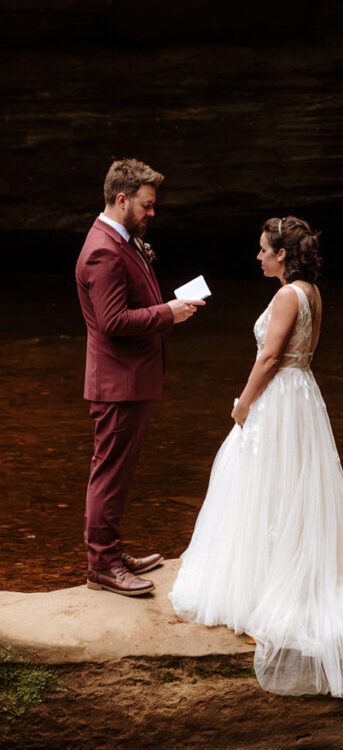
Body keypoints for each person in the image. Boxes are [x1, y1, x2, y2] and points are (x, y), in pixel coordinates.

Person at [169, 216, 343, 698]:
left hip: (278, 398)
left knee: (265, 484)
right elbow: (304, 352)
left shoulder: (285, 296)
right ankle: (286, 566)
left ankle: (272, 583)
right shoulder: (312, 293)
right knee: (291, 484)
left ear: (282, 254)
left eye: (263, 249)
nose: (257, 256)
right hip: (303, 396)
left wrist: (243, 404)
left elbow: (270, 357)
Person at [75, 158, 205, 597]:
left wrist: (167, 306)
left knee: (119, 472)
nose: (153, 213)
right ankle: (103, 566)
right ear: (122, 198)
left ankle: (110, 552)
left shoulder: (123, 239)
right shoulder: (102, 249)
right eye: (147, 206)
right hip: (117, 384)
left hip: (129, 380)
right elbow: (112, 321)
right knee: (109, 473)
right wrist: (167, 313)